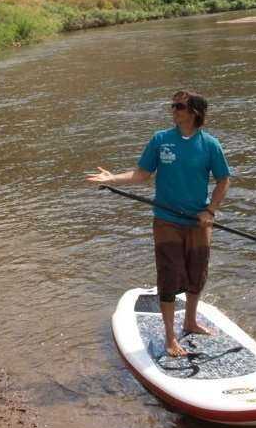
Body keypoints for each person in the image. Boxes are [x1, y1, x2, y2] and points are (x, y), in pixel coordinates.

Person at [86, 90, 231, 358]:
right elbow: (142, 173)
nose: (173, 110)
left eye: (179, 106)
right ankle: (170, 337)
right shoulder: (161, 140)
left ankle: (190, 321)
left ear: (194, 113)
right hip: (166, 221)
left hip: (198, 222)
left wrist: (210, 210)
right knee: (169, 274)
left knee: (196, 273)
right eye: (173, 106)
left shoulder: (210, 145)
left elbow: (224, 180)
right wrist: (112, 179)